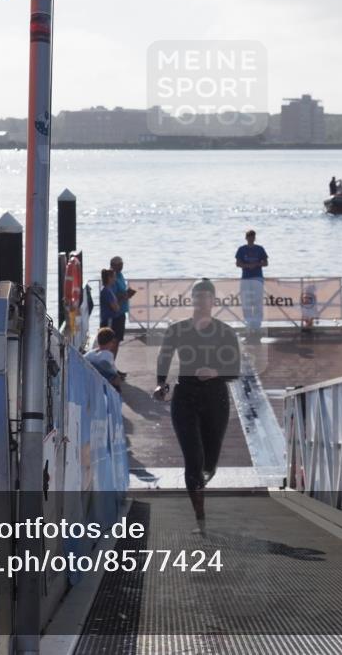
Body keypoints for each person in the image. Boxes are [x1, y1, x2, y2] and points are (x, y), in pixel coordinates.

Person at [152, 279, 241, 534]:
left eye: (206, 297)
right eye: (197, 297)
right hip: (185, 397)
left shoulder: (225, 332)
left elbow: (235, 370)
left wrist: (215, 372)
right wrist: (161, 384)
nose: (201, 302)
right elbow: (165, 356)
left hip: (216, 399)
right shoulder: (177, 330)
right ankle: (200, 519)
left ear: (214, 301)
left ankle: (207, 473)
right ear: (192, 300)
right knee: (193, 458)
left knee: (208, 462)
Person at [234, 229, 268, 333]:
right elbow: (237, 263)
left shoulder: (260, 249)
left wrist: (257, 264)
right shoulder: (241, 249)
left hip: (257, 278)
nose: (251, 238)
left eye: (253, 237)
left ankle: (257, 325)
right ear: (246, 238)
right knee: (246, 302)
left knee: (257, 302)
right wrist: (247, 266)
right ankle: (248, 324)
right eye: (249, 236)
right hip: (246, 278)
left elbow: (266, 263)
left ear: (255, 238)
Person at [109, 256, 136, 372]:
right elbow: (112, 297)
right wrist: (125, 295)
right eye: (119, 264)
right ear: (113, 265)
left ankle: (112, 365)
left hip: (121, 313)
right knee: (113, 341)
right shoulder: (112, 277)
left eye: (122, 264)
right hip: (114, 314)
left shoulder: (120, 275)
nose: (122, 266)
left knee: (118, 340)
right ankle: (109, 366)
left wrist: (126, 293)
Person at [99, 268, 122, 351]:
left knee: (111, 341)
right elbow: (115, 307)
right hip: (109, 320)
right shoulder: (106, 291)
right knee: (108, 341)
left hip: (111, 319)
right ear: (109, 278)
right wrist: (118, 306)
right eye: (114, 277)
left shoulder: (108, 290)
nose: (115, 280)